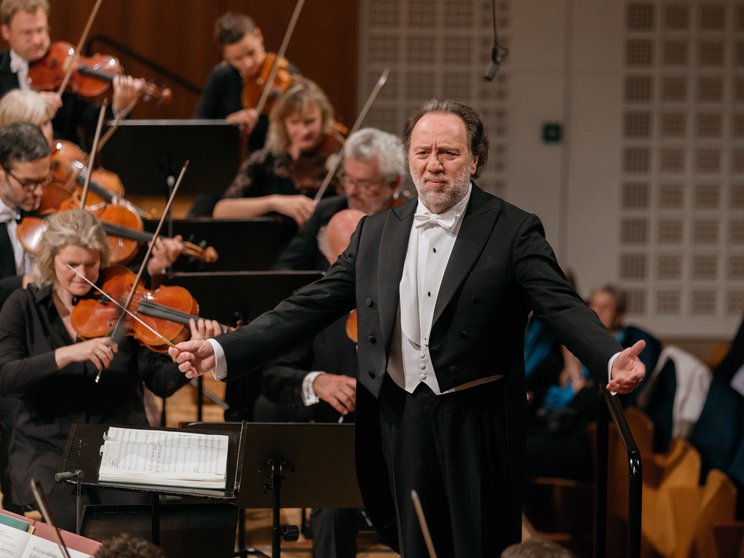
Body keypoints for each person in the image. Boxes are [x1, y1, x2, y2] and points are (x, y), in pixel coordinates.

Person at [171, 99, 647, 557]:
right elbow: (306, 307)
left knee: (477, 545)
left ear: (475, 160)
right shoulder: (376, 233)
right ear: (410, 160)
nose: (433, 164)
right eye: (423, 152)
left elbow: (561, 306)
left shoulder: (514, 230)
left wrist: (608, 355)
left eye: (448, 152)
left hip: (476, 418)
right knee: (414, 541)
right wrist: (224, 347)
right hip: (402, 415)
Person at [0, 207, 219, 529]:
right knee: (72, 517)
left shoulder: (121, 304)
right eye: (71, 265)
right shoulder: (23, 306)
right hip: (46, 447)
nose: (82, 275)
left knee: (131, 522)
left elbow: (158, 381)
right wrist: (67, 354)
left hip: (120, 444)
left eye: (91, 264)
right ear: (50, 260)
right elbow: (6, 377)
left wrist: (189, 364)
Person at [0, 0, 143, 148]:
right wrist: (29, 107)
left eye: (41, 30)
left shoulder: (65, 68)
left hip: (66, 164)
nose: (37, 40)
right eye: (27, 33)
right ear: (6, 31)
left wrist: (118, 108)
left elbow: (91, 122)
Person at [212, 78, 342, 228]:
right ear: (283, 123)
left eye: (310, 121)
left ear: (323, 118)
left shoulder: (336, 159)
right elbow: (221, 210)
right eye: (294, 122)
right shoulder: (265, 160)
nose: (304, 131)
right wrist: (273, 203)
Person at [272, 126, 406, 272]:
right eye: (348, 178)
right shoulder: (325, 212)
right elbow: (283, 270)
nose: (351, 191)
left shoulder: (411, 221)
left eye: (365, 184)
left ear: (393, 184)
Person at [194, 11, 299, 153]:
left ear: (259, 36)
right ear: (225, 55)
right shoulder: (222, 76)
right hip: (233, 158)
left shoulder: (283, 72)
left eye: (251, 53)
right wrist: (228, 124)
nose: (248, 64)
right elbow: (197, 127)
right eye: (237, 59)